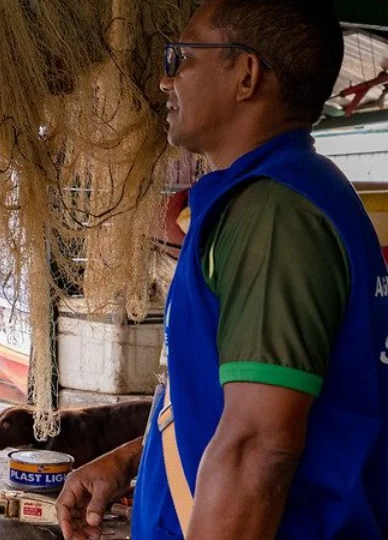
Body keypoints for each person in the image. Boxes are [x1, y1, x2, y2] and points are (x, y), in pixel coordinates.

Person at [56, 0, 388, 538]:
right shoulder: (274, 196)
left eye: (179, 58)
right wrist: (131, 461)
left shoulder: (275, 215)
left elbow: (260, 447)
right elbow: (234, 408)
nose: (165, 82)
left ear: (246, 76)